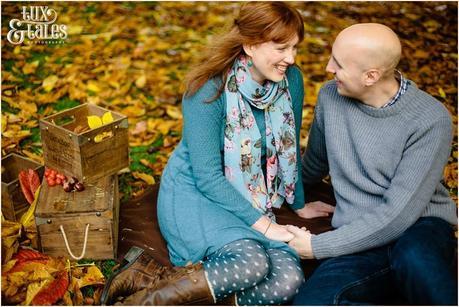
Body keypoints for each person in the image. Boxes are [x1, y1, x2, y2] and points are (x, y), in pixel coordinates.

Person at [102, 2, 332, 305]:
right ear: (250, 45)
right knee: (252, 263)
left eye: (294, 48)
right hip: (198, 193)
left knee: (288, 281)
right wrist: (267, 227)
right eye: (280, 48)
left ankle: (152, 277)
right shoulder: (208, 90)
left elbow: (286, 149)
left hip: (252, 192)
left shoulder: (291, 81)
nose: (290, 58)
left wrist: (298, 203)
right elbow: (207, 176)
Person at [287, 23, 458, 305]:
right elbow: (313, 166)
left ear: (371, 76)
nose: (329, 68)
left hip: (419, 227)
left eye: (339, 64)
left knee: (414, 260)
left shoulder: (430, 119)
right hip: (357, 235)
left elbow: (399, 215)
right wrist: (279, 196)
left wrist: (316, 247)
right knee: (313, 302)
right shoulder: (331, 97)